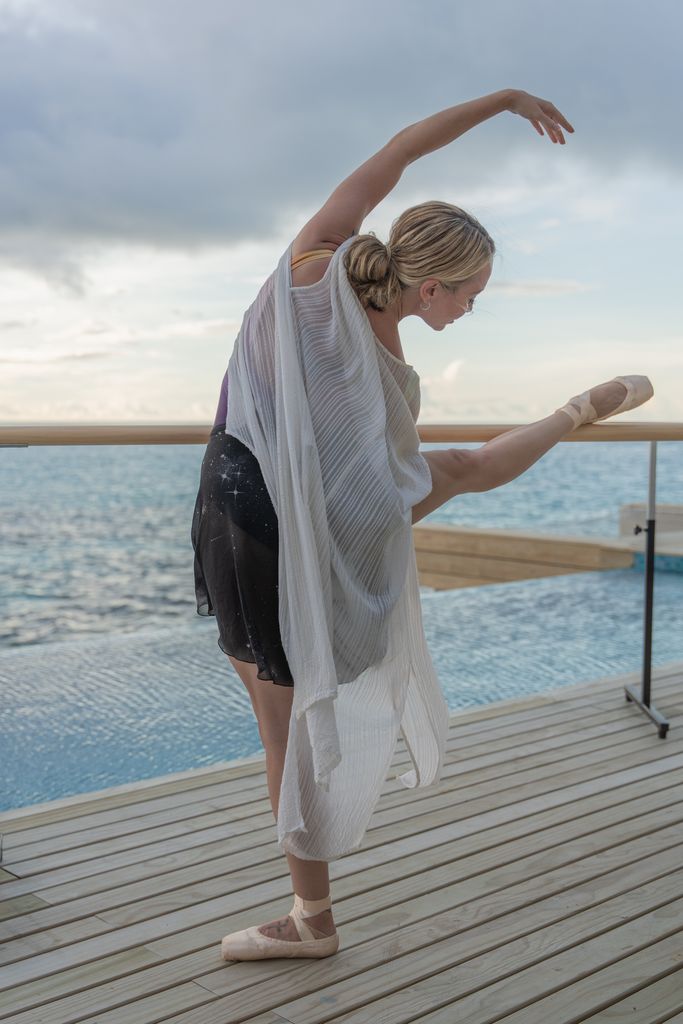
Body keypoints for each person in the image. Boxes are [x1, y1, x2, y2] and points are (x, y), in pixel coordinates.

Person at [190, 88, 654, 962]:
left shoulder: (312, 259)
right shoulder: (389, 380)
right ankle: (310, 922)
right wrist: (578, 411)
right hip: (269, 528)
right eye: (470, 296)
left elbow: (397, 152)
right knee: (286, 725)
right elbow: (455, 475)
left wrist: (501, 102)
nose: (470, 310)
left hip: (224, 495)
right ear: (431, 285)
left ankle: (310, 917)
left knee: (272, 712)